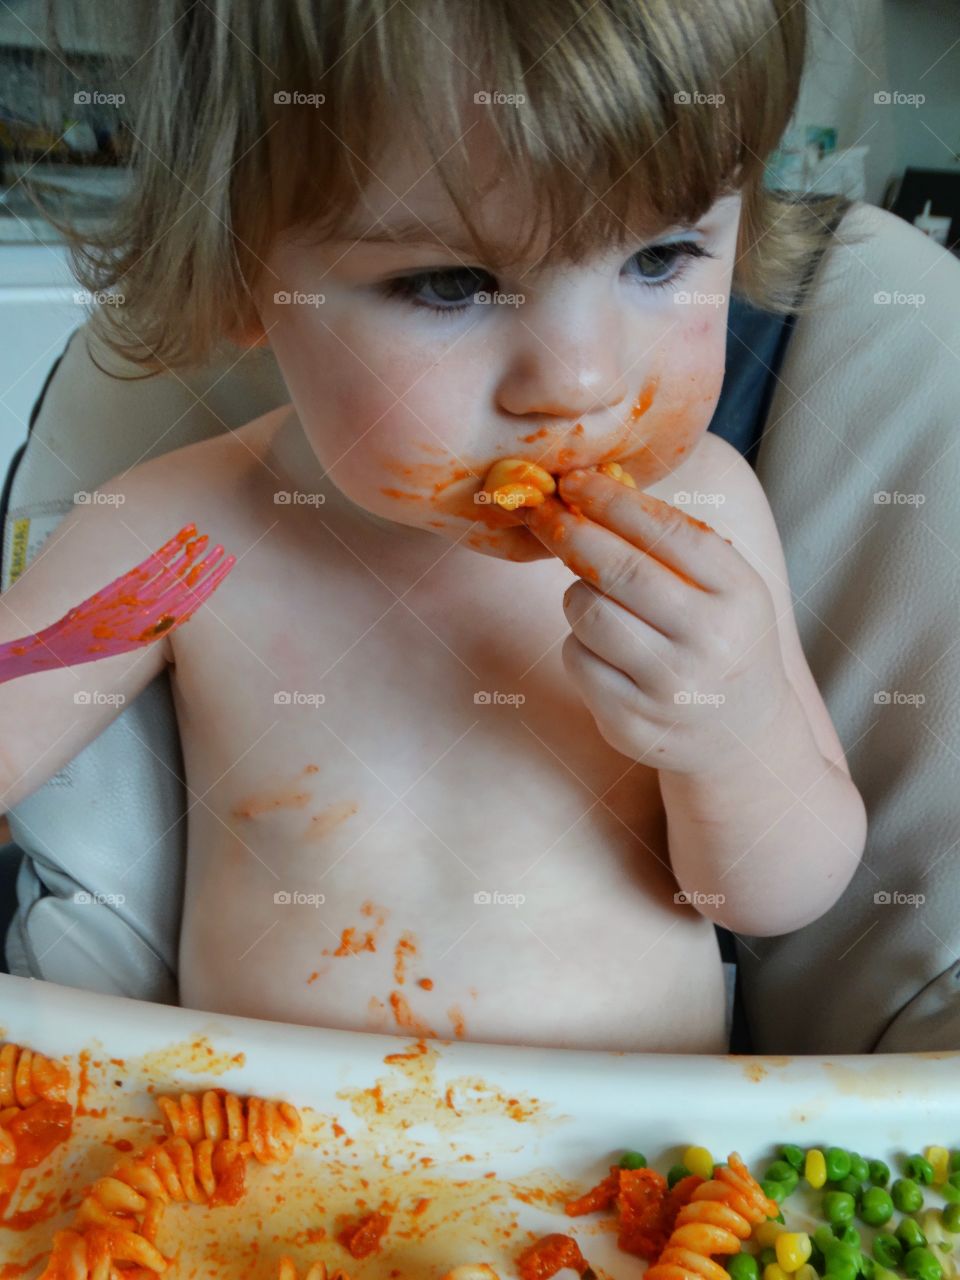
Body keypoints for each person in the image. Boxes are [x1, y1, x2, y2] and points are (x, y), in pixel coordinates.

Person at [0, 0, 867, 1051]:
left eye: (659, 257)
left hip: (646, 1177)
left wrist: (735, 732)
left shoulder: (700, 515)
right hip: (250, 1172)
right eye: (454, 282)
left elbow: (775, 897)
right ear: (239, 271)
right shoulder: (190, 540)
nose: (579, 380)